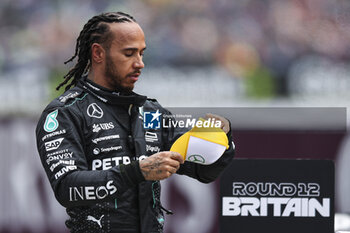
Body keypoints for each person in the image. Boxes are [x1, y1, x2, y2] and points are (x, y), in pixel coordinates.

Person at [35, 12, 235, 233]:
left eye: (141, 53)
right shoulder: (64, 113)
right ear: (98, 53)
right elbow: (66, 188)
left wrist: (221, 138)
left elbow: (203, 171)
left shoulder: (151, 112)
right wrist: (137, 172)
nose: (139, 63)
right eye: (129, 53)